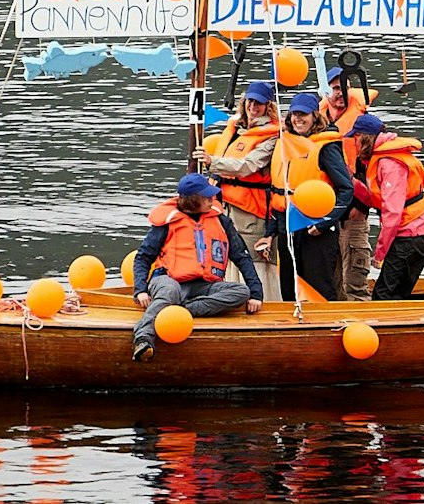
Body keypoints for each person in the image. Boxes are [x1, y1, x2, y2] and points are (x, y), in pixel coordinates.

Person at [131, 172, 262, 361]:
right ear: (193, 200)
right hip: (168, 280)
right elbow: (143, 258)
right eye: (207, 197)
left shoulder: (221, 221)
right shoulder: (167, 222)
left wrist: (256, 293)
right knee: (169, 291)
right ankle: (143, 338)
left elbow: (242, 257)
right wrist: (140, 290)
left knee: (241, 292)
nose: (212, 200)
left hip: (204, 285)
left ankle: (180, 310)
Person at [269, 91, 356, 303]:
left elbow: (346, 189)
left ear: (315, 117)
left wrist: (325, 223)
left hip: (316, 230)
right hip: (289, 226)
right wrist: (270, 232)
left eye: (303, 115)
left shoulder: (326, 148)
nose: (298, 119)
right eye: (294, 114)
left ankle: (326, 320)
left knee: (319, 287)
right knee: (288, 286)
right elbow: (275, 190)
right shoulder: (285, 143)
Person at [349, 113, 424, 300]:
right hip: (419, 232)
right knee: (397, 291)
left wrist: (379, 254)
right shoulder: (384, 158)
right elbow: (377, 199)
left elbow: (393, 213)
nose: (353, 144)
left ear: (363, 138)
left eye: (355, 139)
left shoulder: (389, 164)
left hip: (413, 234)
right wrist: (351, 182)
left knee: (383, 295)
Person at [204, 79, 281, 291]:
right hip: (228, 206)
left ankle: (261, 299)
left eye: (259, 103)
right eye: (250, 101)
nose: (253, 107)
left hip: (253, 212)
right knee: (229, 257)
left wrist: (212, 162)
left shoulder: (271, 137)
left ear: (268, 106)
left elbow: (247, 165)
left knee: (254, 260)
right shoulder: (237, 129)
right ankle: (231, 296)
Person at [325, 67, 376, 300]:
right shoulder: (317, 120)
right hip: (325, 210)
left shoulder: (364, 125)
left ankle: (362, 315)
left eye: (343, 88)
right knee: (330, 277)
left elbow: (372, 173)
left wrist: (362, 207)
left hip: (353, 212)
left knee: (354, 278)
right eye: (335, 88)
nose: (339, 94)